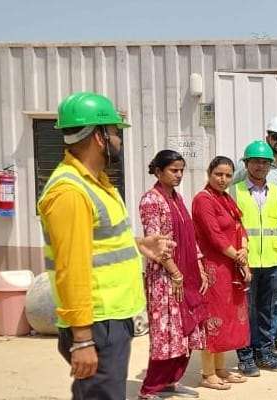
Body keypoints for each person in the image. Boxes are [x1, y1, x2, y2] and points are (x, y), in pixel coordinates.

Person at [38, 91, 175, 400]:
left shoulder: (95, 182)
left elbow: (95, 243)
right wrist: (83, 339)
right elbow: (71, 268)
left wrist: (139, 245)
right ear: (99, 136)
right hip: (96, 323)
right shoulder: (70, 191)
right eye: (115, 133)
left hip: (109, 319)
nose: (119, 141)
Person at [137, 150, 206, 399]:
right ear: (158, 171)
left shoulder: (177, 198)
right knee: (166, 333)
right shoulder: (151, 201)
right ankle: (149, 389)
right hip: (164, 278)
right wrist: (176, 273)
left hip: (184, 276)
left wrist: (198, 268)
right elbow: (158, 245)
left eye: (181, 170)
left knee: (185, 331)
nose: (178, 175)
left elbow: (189, 237)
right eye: (173, 170)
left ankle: (170, 381)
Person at [234, 116, 277, 362]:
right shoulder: (240, 180)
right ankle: (247, 353)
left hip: (274, 254)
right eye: (276, 137)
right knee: (247, 308)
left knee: (272, 304)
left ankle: (267, 347)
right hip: (247, 256)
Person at [192, 156, 252, 391]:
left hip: (230, 267)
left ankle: (220, 368)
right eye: (218, 174)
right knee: (212, 319)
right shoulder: (203, 200)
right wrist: (237, 255)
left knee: (227, 318)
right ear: (209, 173)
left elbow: (240, 226)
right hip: (213, 268)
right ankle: (207, 373)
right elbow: (214, 235)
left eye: (228, 175)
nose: (223, 179)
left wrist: (244, 249)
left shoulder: (226, 198)